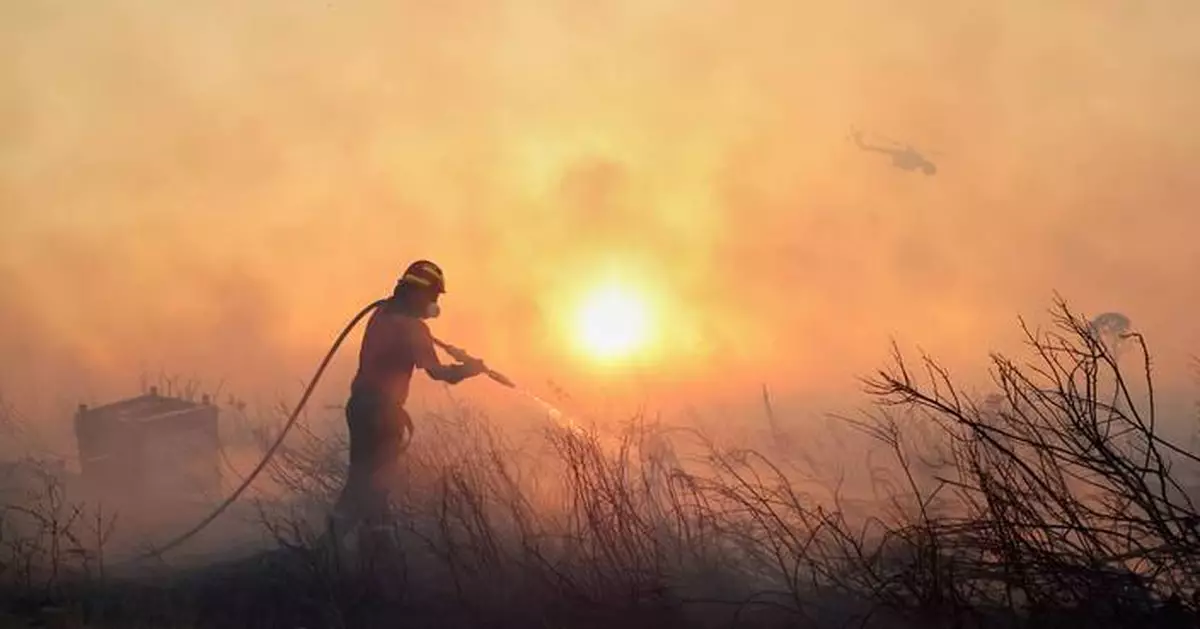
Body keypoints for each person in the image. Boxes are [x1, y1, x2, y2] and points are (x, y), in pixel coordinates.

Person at [326, 259, 487, 550]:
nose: (436, 303)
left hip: (359, 408)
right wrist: (469, 369)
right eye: (433, 295)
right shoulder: (413, 328)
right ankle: (359, 548)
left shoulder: (383, 313)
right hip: (381, 415)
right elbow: (439, 373)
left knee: (363, 480)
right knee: (375, 483)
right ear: (417, 293)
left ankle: (341, 548)